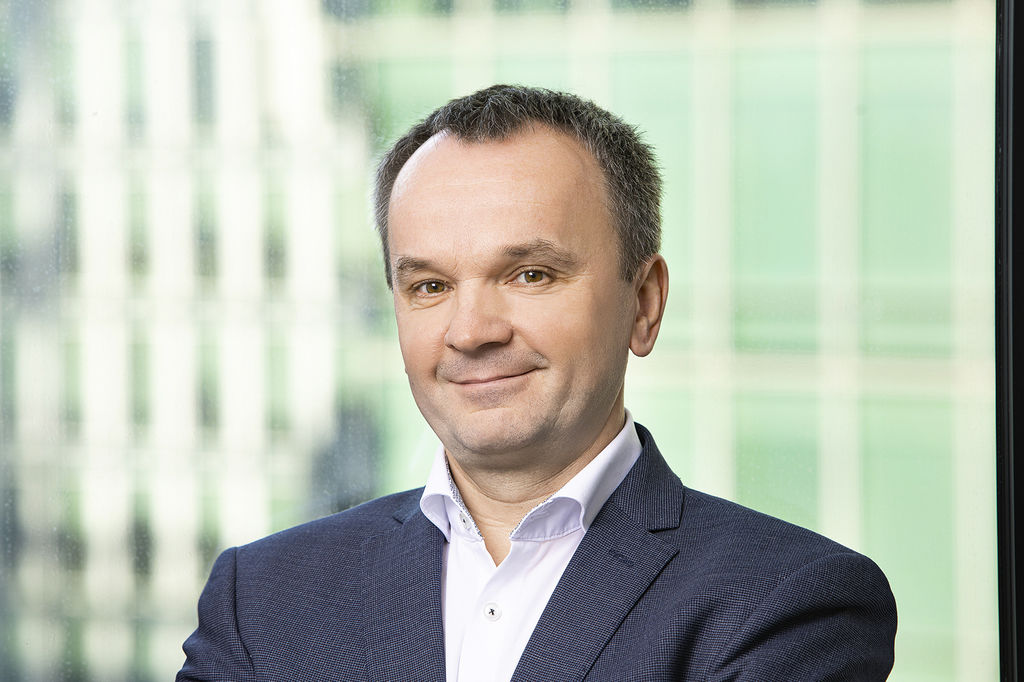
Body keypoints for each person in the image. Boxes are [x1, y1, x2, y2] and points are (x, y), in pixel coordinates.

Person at [177, 84, 897, 681]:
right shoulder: (264, 598)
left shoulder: (788, 605)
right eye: (430, 286)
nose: (471, 331)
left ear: (643, 304)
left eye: (530, 275)